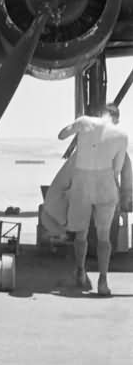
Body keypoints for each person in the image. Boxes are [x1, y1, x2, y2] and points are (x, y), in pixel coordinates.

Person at [58, 103, 128, 296]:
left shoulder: (84, 122)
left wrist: (75, 127)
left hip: (82, 181)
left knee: (81, 233)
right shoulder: (122, 136)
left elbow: (62, 135)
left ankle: (80, 272)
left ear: (100, 113)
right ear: (116, 118)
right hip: (106, 182)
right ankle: (103, 281)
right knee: (104, 236)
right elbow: (117, 168)